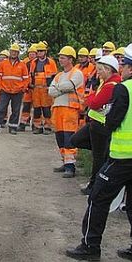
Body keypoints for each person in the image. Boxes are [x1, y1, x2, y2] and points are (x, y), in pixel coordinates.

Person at [65, 47, 132, 262]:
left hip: (122, 156)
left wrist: (107, 122)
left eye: (124, 66)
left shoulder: (124, 89)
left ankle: (90, 246)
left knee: (97, 198)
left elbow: (113, 121)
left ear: (131, 69)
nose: (122, 69)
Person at [71, 55, 121, 194]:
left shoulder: (111, 85)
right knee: (76, 140)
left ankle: (93, 186)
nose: (97, 72)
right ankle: (104, 155)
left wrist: (91, 97)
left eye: (100, 70)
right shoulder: (106, 82)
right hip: (95, 123)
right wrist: (92, 98)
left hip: (101, 125)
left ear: (108, 70)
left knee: (98, 158)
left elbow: (94, 103)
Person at [48, 46, 85, 178]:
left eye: (63, 58)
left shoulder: (77, 73)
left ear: (70, 59)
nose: (60, 60)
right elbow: (50, 91)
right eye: (60, 57)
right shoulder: (59, 75)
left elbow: (69, 86)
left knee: (69, 137)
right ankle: (65, 162)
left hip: (70, 109)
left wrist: (58, 88)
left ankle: (71, 166)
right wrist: (62, 88)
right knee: (60, 137)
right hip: (57, 109)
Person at [0, 43, 29, 134]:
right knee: (1, 109)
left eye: (15, 52)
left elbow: (26, 78)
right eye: (12, 51)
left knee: (16, 110)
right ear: (10, 52)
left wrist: (23, 88)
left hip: (18, 91)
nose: (14, 53)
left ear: (18, 53)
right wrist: (0, 88)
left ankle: (13, 127)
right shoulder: (3, 63)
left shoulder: (22, 64)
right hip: (5, 90)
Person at [28, 41, 57, 134]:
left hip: (46, 89)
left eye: (41, 51)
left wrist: (52, 87)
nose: (40, 53)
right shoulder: (34, 62)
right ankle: (38, 127)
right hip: (36, 89)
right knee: (36, 109)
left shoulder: (51, 62)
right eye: (38, 51)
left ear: (45, 52)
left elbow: (54, 76)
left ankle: (48, 127)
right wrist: (30, 85)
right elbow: (31, 75)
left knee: (46, 109)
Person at [18, 43, 37, 132]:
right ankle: (23, 123)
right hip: (27, 88)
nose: (32, 55)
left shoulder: (38, 63)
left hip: (36, 88)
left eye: (33, 53)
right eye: (30, 53)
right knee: (26, 106)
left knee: (37, 108)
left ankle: (35, 125)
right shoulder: (25, 62)